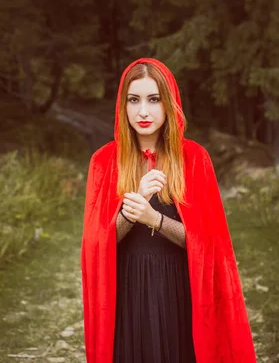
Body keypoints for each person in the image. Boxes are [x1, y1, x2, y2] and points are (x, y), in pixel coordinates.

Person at [81, 58, 256, 363]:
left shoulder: (194, 158)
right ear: (123, 106)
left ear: (169, 104)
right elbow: (96, 246)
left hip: (180, 291)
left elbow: (209, 246)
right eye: (134, 100)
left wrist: (156, 220)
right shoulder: (104, 161)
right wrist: (131, 209)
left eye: (154, 99)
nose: (143, 111)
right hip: (127, 292)